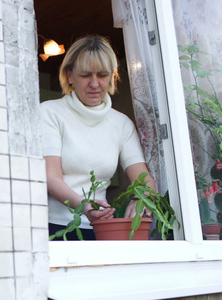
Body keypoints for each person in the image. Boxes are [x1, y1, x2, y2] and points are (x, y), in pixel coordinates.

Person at [40, 35, 155, 240]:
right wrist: (84, 206)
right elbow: (51, 177)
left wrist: (141, 199)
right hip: (54, 228)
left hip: (102, 229)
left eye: (102, 75)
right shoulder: (49, 113)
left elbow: (143, 179)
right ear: (70, 75)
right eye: (85, 75)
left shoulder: (121, 124)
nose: (94, 83)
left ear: (111, 76)